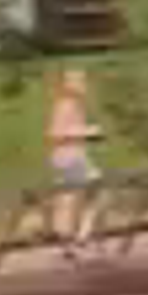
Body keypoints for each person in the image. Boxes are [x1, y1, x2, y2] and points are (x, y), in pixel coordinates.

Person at [43, 58, 98, 243]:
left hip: (72, 156)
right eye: (80, 81)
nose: (85, 85)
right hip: (69, 157)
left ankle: (71, 236)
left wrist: (89, 134)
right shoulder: (65, 105)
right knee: (90, 190)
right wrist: (86, 132)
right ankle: (77, 235)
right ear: (69, 86)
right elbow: (53, 134)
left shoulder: (75, 105)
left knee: (69, 197)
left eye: (84, 80)